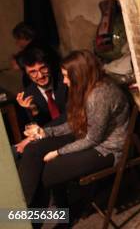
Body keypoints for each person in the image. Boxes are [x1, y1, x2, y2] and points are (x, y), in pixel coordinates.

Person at [17, 50, 129, 209]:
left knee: (44, 175)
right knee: (34, 151)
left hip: (106, 150)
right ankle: (21, 215)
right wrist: (46, 132)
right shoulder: (87, 88)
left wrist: (58, 152)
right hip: (85, 137)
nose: (64, 81)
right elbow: (75, 121)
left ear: (79, 74)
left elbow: (93, 139)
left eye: (66, 76)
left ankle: (22, 219)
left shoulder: (100, 95)